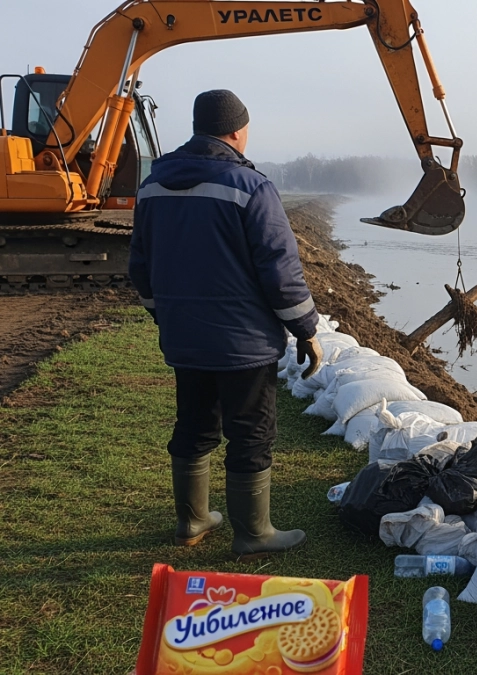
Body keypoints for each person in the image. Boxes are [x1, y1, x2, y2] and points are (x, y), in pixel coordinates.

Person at [128, 90, 323, 558]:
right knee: (251, 431)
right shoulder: (250, 187)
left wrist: (166, 314)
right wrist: (306, 329)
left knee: (194, 423)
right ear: (237, 131)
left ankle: (192, 520)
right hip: (244, 344)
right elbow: (280, 270)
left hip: (185, 338)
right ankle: (253, 534)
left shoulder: (153, 186)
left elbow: (140, 266)